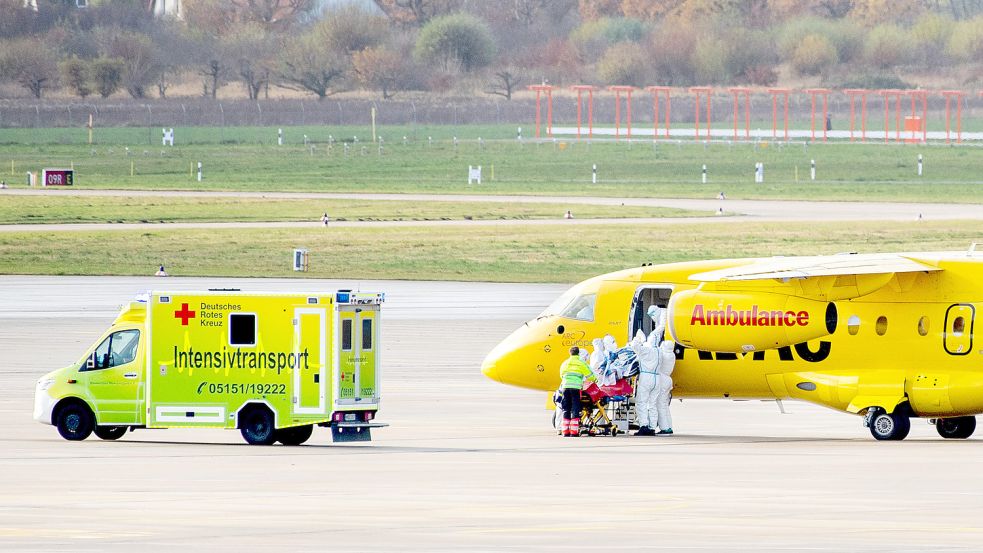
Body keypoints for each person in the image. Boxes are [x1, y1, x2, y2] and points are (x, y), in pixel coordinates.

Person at [559, 346, 595, 437]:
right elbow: (590, 375)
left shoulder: (565, 363)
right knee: (575, 407)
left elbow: (561, 375)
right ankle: (574, 432)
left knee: (566, 408)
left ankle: (565, 432)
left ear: (570, 353)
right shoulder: (581, 363)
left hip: (565, 387)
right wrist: (595, 379)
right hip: (575, 388)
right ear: (578, 353)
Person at [630, 333, 660, 436]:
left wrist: (638, 339)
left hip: (646, 377)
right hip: (657, 378)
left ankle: (643, 426)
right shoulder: (659, 351)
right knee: (652, 404)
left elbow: (634, 346)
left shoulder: (646, 350)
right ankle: (652, 427)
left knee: (641, 402)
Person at [653, 340, 676, 435]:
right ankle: (669, 426)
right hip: (668, 379)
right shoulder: (672, 355)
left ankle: (665, 428)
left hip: (662, 380)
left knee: (660, 405)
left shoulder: (663, 355)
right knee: (665, 405)